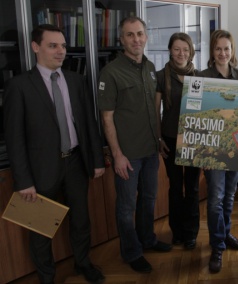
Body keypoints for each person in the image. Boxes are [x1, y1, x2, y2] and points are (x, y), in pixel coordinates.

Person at [3, 24, 105, 284]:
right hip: (40, 170)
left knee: (81, 221)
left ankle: (83, 264)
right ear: (36, 47)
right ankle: (46, 276)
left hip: (75, 163)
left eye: (63, 45)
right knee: (40, 228)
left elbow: (88, 124)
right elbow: (15, 139)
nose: (61, 51)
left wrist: (95, 160)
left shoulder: (75, 80)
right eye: (53, 45)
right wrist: (23, 180)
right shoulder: (19, 86)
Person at [97, 16, 171, 274]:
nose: (136, 39)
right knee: (126, 206)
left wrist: (159, 140)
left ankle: (148, 239)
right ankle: (131, 251)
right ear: (121, 39)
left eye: (140, 33)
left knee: (149, 198)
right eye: (130, 35)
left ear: (146, 36)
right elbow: (106, 118)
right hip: (127, 155)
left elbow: (154, 109)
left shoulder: (151, 67)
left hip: (151, 150)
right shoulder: (111, 72)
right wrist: (117, 155)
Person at [198, 29, 238, 274]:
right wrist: (202, 153)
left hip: (235, 147)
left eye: (227, 48)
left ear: (232, 50)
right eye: (218, 48)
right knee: (215, 199)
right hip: (213, 149)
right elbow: (196, 116)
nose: (223, 53)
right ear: (212, 51)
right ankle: (217, 244)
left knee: (229, 197)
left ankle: (226, 234)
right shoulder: (202, 76)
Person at [156, 32, 200, 250]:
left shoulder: (200, 77)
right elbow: (155, 112)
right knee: (175, 187)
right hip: (170, 139)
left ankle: (191, 233)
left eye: (185, 49)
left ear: (191, 51)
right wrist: (158, 138)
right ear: (170, 50)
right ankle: (177, 231)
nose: (181, 53)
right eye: (176, 49)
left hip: (193, 140)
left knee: (191, 188)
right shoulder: (160, 76)